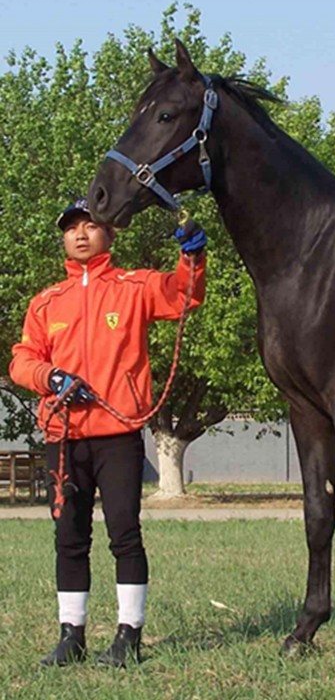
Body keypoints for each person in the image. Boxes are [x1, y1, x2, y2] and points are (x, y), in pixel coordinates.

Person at [9, 198, 207, 667]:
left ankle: (128, 635)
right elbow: (21, 360)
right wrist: (49, 378)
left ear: (110, 235)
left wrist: (192, 257)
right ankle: (70, 635)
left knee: (124, 534)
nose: (80, 233)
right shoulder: (46, 302)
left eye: (91, 225)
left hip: (117, 432)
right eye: (71, 227)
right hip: (63, 434)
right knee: (70, 538)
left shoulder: (134, 287)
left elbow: (185, 294)